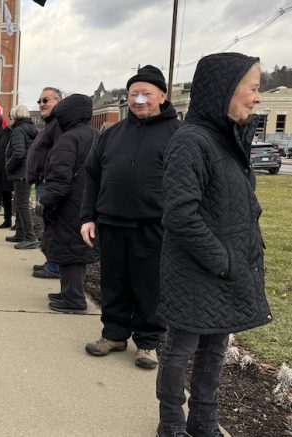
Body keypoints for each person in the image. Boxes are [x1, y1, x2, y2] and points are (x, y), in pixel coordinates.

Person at [155, 53, 271, 437]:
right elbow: (180, 215)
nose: (257, 97)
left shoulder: (230, 140)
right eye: (253, 88)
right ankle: (171, 422)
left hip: (227, 269)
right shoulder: (192, 141)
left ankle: (203, 419)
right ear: (225, 90)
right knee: (181, 349)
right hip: (196, 269)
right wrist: (223, 262)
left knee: (216, 348)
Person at [80, 65, 181, 369]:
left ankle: (148, 342)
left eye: (146, 94)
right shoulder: (112, 134)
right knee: (114, 282)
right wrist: (88, 216)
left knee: (149, 286)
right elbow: (93, 176)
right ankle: (114, 334)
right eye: (133, 93)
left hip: (154, 225)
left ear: (162, 96)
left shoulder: (179, 134)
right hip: (112, 222)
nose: (138, 100)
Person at [37, 94, 99, 314]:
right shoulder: (95, 135)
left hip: (68, 203)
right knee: (75, 250)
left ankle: (73, 299)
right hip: (87, 201)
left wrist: (46, 201)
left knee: (69, 251)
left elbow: (60, 177)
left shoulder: (68, 139)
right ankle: (69, 292)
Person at [27, 87, 64, 279]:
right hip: (42, 182)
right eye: (39, 101)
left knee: (50, 225)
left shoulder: (58, 125)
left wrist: (47, 176)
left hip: (48, 183)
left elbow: (59, 155)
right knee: (46, 225)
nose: (41, 104)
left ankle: (54, 267)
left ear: (58, 102)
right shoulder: (50, 124)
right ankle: (51, 262)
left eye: (46, 100)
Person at [5, 104, 38, 249]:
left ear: (16, 117)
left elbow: (18, 153)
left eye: (11, 117)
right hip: (27, 171)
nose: (10, 120)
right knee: (19, 202)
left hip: (20, 172)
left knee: (22, 204)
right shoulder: (31, 129)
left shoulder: (18, 130)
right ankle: (20, 233)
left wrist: (8, 166)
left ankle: (30, 237)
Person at [0, 117, 15, 228]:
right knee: (5, 195)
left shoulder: (17, 132)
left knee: (17, 198)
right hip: (3, 169)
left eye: (13, 118)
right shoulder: (3, 133)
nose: (11, 121)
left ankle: (18, 223)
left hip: (14, 169)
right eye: (10, 118)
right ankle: (7, 219)